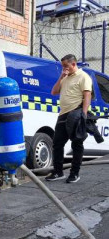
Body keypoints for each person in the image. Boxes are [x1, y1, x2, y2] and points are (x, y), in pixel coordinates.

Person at [45, 54, 92, 183]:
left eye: (66, 66)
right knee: (57, 144)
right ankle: (58, 172)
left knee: (76, 144)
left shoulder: (83, 77)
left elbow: (87, 94)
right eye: (62, 66)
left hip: (76, 113)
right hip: (63, 114)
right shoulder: (65, 78)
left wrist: (84, 113)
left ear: (73, 64)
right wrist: (62, 76)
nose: (64, 68)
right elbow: (54, 92)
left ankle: (74, 173)